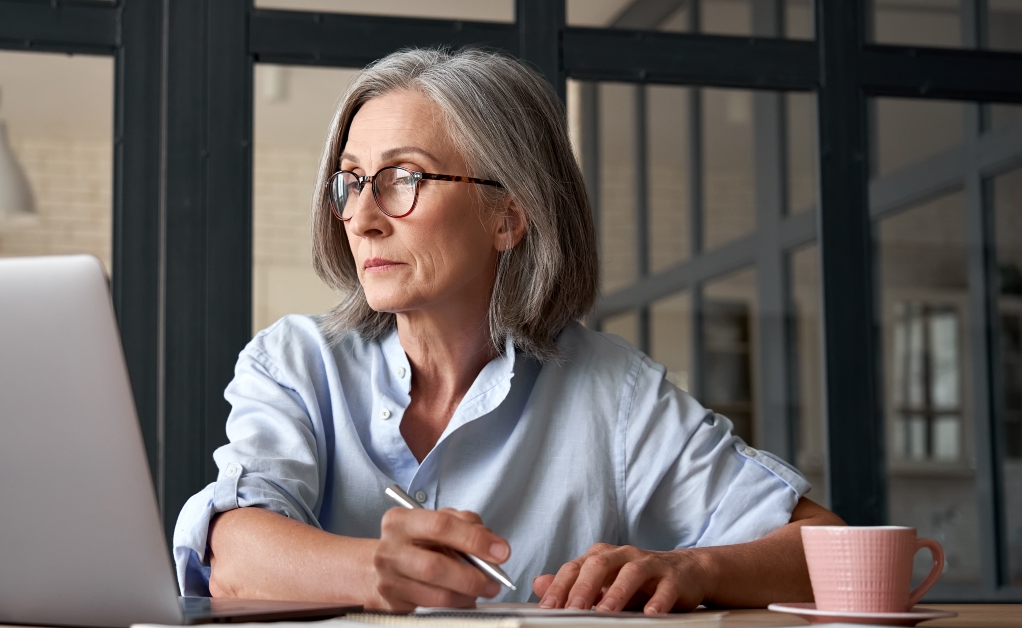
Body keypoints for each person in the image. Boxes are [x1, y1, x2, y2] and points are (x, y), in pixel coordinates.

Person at [173, 47, 843, 613]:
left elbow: (834, 552)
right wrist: (376, 571)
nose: (364, 217)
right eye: (350, 182)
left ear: (508, 216)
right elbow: (230, 554)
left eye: (402, 177)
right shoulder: (295, 362)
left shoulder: (613, 392)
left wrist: (693, 571)